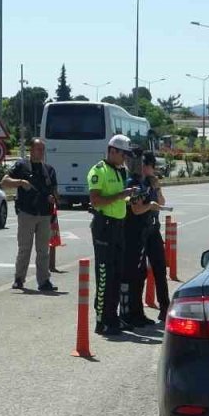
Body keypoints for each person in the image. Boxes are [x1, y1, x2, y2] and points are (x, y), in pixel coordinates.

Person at [88, 134, 136, 335]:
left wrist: (130, 196)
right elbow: (96, 201)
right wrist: (121, 195)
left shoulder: (120, 171)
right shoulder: (98, 171)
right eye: (123, 154)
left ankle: (113, 317)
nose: (125, 158)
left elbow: (119, 199)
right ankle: (102, 320)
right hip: (104, 226)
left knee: (117, 273)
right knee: (104, 274)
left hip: (118, 226)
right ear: (112, 151)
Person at [2, 138, 59, 291]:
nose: (40, 152)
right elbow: (4, 181)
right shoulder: (21, 166)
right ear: (31, 150)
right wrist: (21, 182)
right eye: (38, 149)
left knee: (43, 250)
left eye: (42, 149)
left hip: (44, 214)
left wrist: (53, 198)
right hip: (26, 213)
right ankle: (19, 279)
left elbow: (56, 193)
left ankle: (44, 281)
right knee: (24, 248)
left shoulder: (49, 170)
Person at [123, 151, 169, 324]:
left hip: (152, 230)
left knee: (160, 268)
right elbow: (136, 209)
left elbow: (162, 202)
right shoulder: (133, 183)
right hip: (137, 231)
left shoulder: (150, 182)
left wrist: (157, 188)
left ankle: (165, 307)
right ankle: (136, 312)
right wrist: (150, 206)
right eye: (148, 165)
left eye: (150, 165)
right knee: (139, 273)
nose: (149, 169)